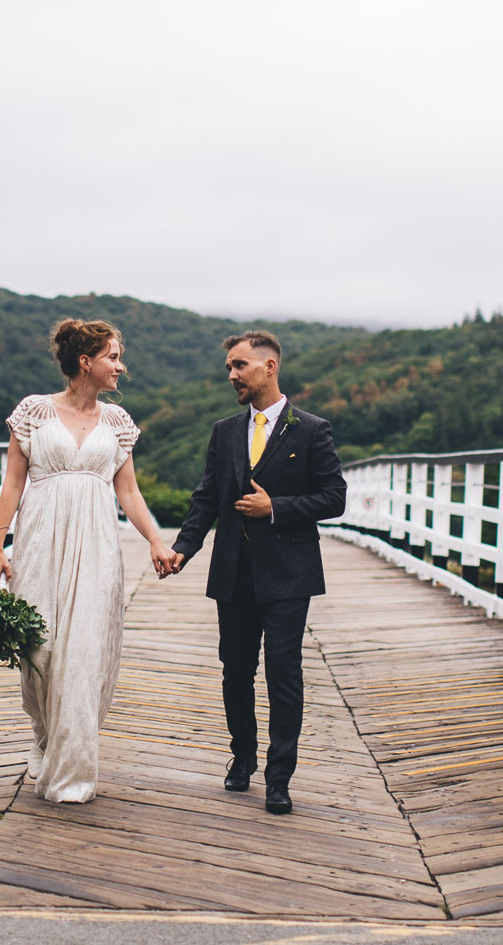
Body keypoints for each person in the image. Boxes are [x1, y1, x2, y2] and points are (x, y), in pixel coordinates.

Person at [159, 331, 346, 815]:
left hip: (289, 574)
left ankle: (280, 778)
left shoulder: (312, 430)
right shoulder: (224, 432)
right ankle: (242, 758)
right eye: (228, 367)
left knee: (285, 674)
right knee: (235, 671)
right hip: (233, 572)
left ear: (269, 367)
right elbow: (206, 499)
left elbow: (334, 498)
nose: (231, 376)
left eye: (239, 366)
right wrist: (182, 548)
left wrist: (275, 507)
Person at [0, 318, 172, 803]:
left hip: (96, 543)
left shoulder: (117, 423)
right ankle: (47, 736)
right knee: (40, 649)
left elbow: (127, 491)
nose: (121, 366)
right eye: (113, 356)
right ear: (86, 362)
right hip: (41, 539)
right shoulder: (34, 412)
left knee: (86, 650)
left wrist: (155, 539)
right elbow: (13, 483)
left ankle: (74, 772)